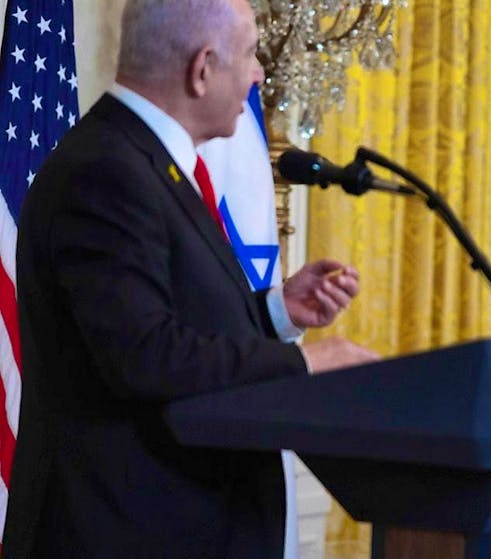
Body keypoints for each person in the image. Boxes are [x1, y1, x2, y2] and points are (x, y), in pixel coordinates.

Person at [2, 1, 378, 557]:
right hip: (119, 534)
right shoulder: (106, 171)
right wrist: (306, 363)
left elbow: (166, 318)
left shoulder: (149, 162)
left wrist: (274, 312)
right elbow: (143, 354)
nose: (258, 73)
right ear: (202, 69)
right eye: (250, 54)